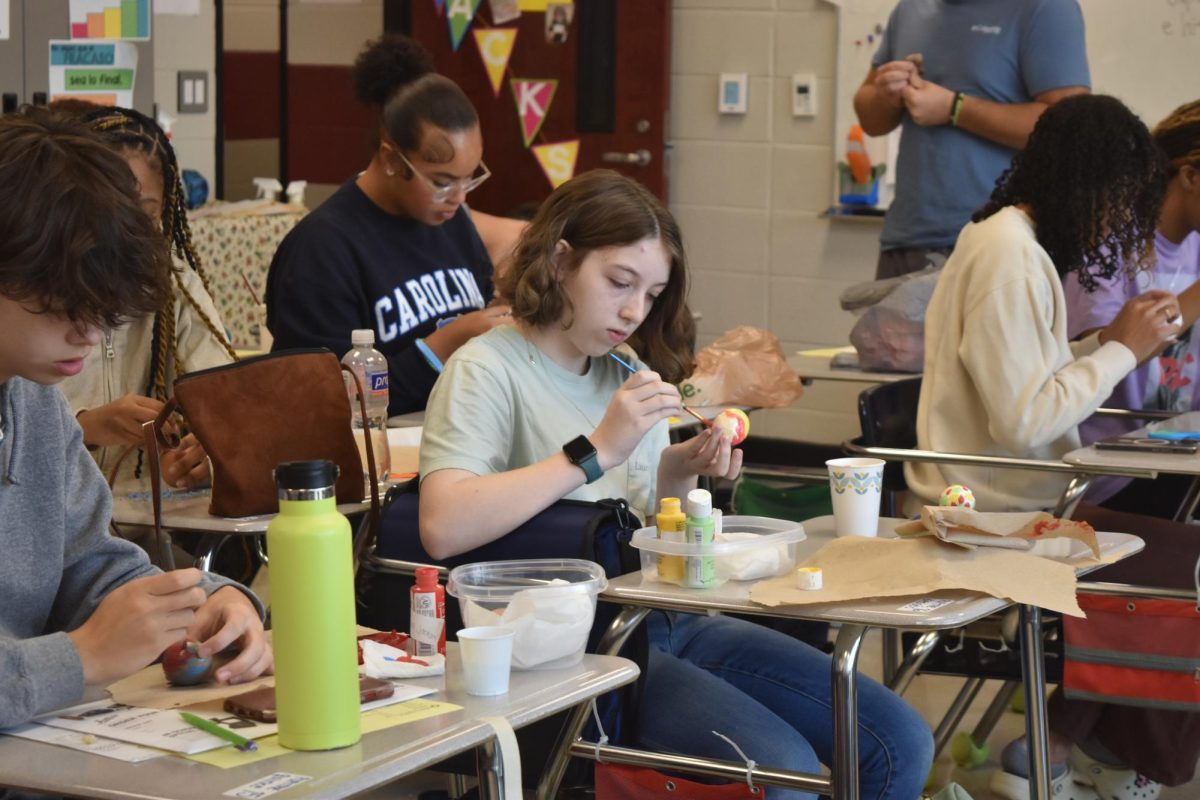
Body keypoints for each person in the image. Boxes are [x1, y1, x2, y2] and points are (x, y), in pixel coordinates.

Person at [418, 169, 934, 799]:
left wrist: (683, 467)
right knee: (784, 776)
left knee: (899, 739)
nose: (635, 311)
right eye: (619, 283)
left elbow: (624, 513)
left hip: (656, 616)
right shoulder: (486, 369)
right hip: (565, 648)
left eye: (652, 293)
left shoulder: (622, 367)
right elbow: (443, 526)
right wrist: (597, 447)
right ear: (559, 261)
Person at [904, 95, 1194, 799]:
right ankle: (1100, 755)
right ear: (1084, 182)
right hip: (991, 515)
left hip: (1017, 500)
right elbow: (1025, 422)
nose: (1123, 220)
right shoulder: (1009, 254)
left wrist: (1108, 339)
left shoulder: (1014, 244)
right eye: (1120, 200)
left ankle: (1087, 750)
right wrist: (1123, 349)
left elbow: (1029, 376)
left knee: (1177, 563)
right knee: (1182, 573)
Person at [0, 109, 271, 730]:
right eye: (63, 305)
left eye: (102, 310)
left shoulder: (34, 399)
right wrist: (83, 656)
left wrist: (207, 601)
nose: (89, 334)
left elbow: (90, 562)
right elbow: (88, 640)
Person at [266, 34, 513, 416]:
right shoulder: (323, 247)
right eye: (442, 181)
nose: (459, 197)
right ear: (392, 159)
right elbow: (318, 398)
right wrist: (442, 345)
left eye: (470, 178)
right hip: (379, 457)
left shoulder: (450, 220)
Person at [57, 106, 237, 489]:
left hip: (149, 525)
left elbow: (226, 398)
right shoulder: (36, 289)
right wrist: (86, 426)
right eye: (112, 210)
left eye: (146, 213)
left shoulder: (174, 283)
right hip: (46, 523)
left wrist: (208, 448)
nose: (129, 231)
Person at [853, 0, 1090, 279]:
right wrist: (886, 96)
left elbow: (1071, 129)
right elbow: (871, 119)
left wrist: (955, 109)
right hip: (907, 239)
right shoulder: (910, 9)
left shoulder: (1045, 8)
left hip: (999, 244)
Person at [1064, 99, 1200, 511]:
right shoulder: (1108, 241)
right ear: (1190, 176)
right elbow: (1103, 356)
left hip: (1178, 458)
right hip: (1110, 475)